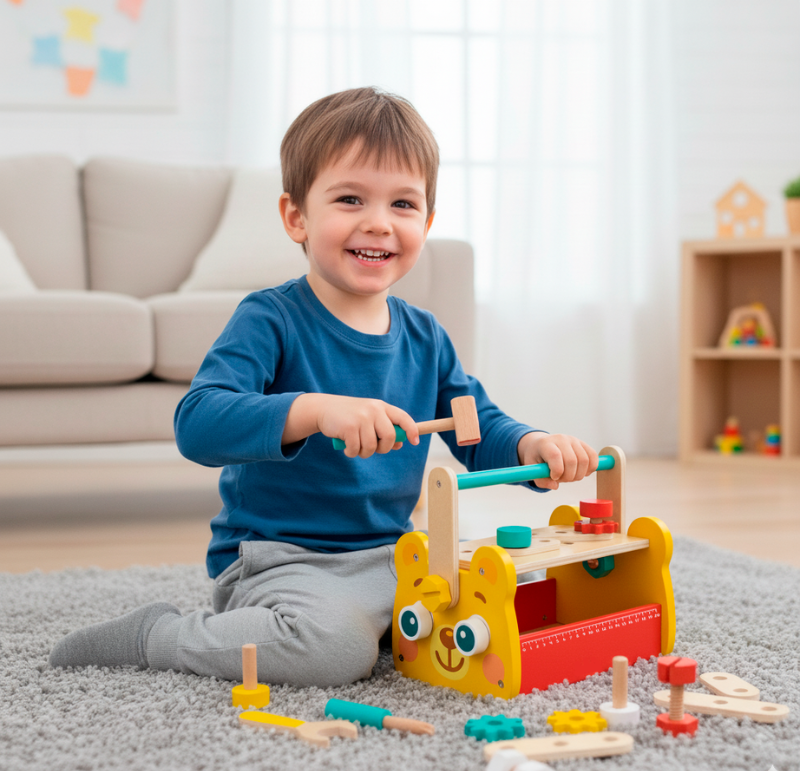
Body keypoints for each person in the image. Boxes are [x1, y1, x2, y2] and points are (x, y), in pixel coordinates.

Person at [49, 87, 598, 687]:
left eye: (403, 204)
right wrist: (311, 411)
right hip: (282, 560)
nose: (378, 222)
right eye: (350, 199)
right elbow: (198, 422)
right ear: (297, 217)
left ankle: (375, 619)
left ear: (426, 223)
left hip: (394, 554)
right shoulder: (270, 318)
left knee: (520, 600)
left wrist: (531, 446)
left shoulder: (426, 335)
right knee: (333, 651)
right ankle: (156, 634)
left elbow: (479, 427)